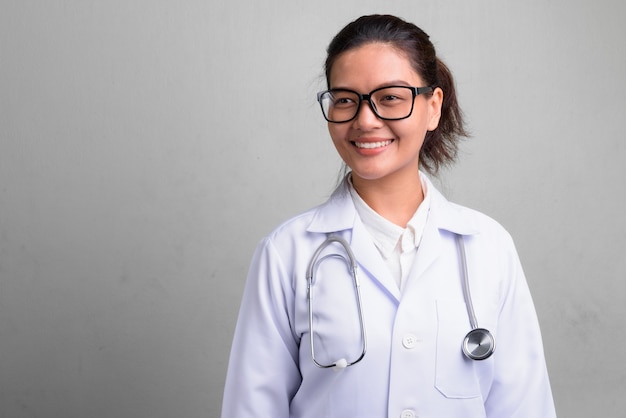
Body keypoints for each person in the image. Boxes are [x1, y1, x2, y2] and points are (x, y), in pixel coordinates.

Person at [222, 14, 556, 418]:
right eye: (345, 99)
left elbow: (524, 406)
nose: (365, 119)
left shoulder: (488, 247)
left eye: (391, 97)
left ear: (433, 107)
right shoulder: (286, 253)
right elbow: (252, 408)